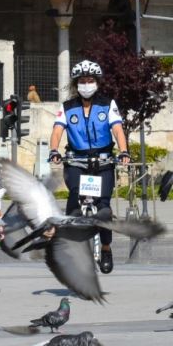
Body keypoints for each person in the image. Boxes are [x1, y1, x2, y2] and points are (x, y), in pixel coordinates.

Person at [47, 59, 129, 274]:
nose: (86, 84)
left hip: (103, 161)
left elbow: (118, 129)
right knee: (74, 199)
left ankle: (106, 248)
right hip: (77, 160)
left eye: (90, 80)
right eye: (82, 81)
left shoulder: (107, 104)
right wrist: (54, 151)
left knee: (104, 208)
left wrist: (123, 151)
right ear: (76, 84)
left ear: (97, 82)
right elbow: (57, 131)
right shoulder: (66, 107)